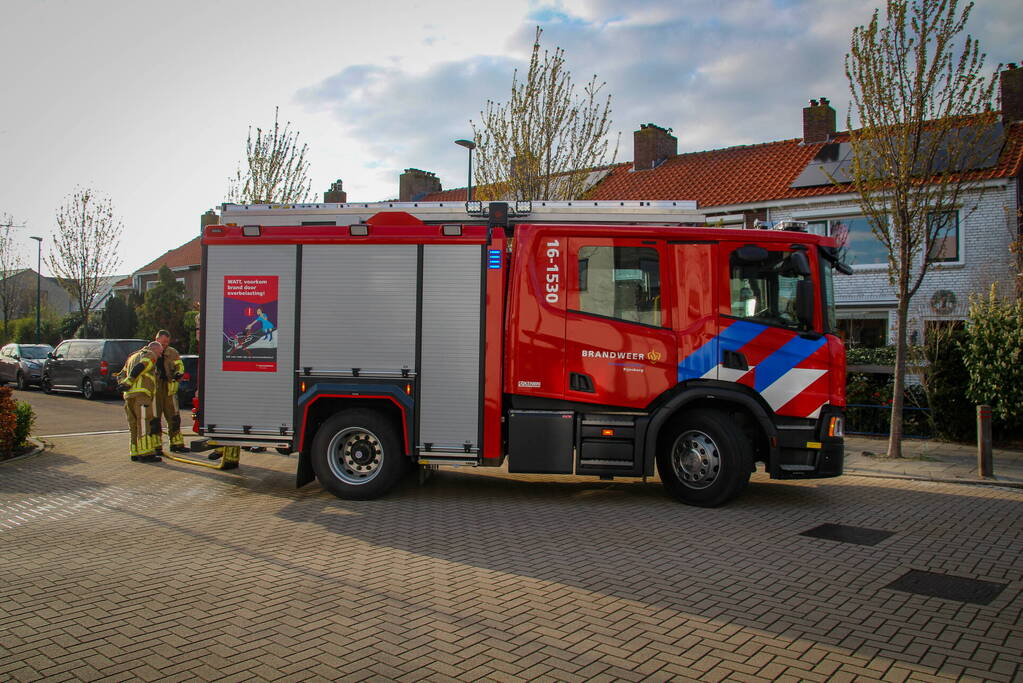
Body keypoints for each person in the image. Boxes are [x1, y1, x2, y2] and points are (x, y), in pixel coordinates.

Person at [120, 341, 164, 462]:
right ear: (154, 349)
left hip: (128, 396)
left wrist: (124, 384)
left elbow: (121, 374)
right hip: (142, 396)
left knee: (133, 425)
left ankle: (134, 452)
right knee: (144, 423)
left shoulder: (132, 357)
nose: (160, 355)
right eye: (160, 352)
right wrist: (130, 380)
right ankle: (146, 453)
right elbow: (142, 366)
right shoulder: (150, 354)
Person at [154, 330, 187, 454]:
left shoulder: (173, 353)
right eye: (163, 342)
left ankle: (176, 444)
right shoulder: (149, 352)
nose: (165, 345)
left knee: (174, 417)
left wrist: (179, 373)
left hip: (169, 388)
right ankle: (156, 446)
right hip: (155, 390)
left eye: (167, 342)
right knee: (155, 419)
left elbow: (180, 366)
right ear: (157, 340)